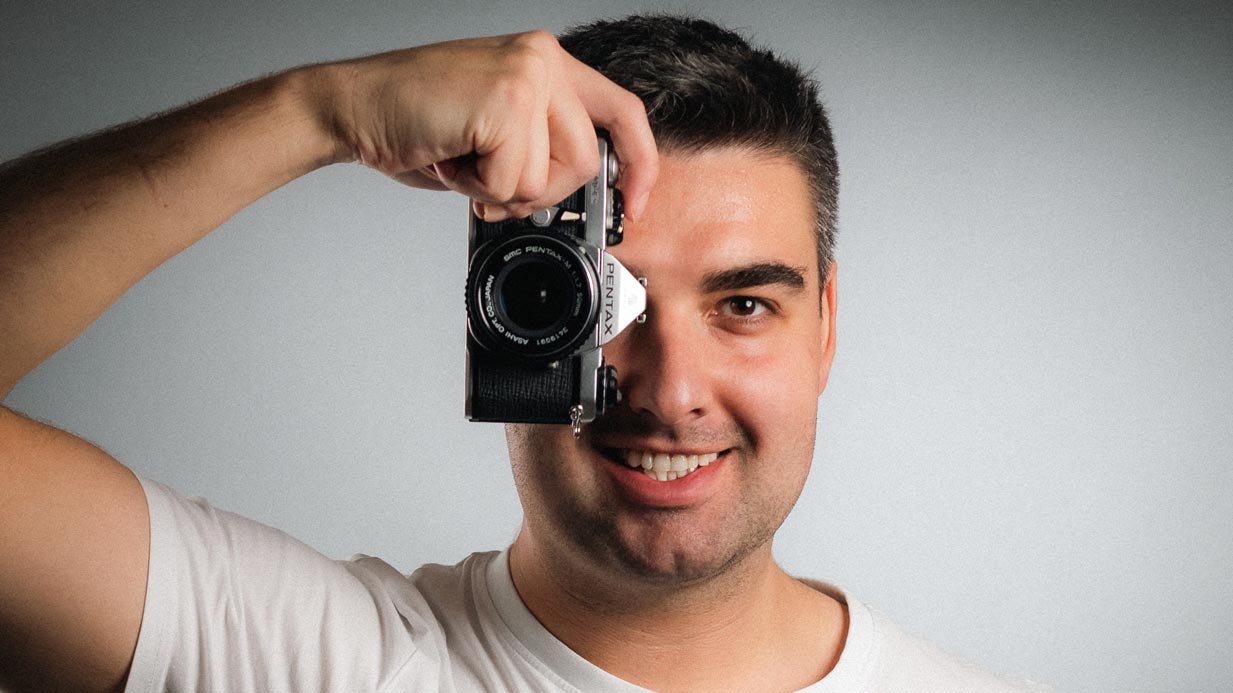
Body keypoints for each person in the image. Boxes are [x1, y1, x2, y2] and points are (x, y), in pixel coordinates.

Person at [0, 14, 1047, 693]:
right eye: (598, 302)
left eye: (742, 305)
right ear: (502, 318)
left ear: (826, 329)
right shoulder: (306, 658)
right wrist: (317, 111)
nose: (673, 390)